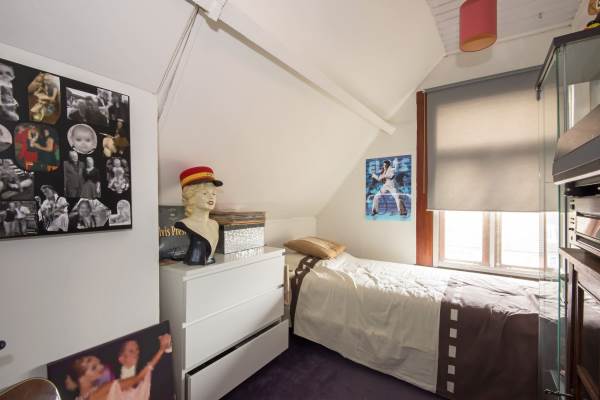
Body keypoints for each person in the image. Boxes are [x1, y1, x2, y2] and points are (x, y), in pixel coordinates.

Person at [64, 334, 172, 400]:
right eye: (93, 367)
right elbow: (139, 378)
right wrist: (161, 350)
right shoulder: (103, 389)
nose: (101, 369)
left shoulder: (97, 391)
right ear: (81, 378)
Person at [174, 166, 223, 265]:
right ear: (190, 196)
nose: (211, 197)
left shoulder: (214, 224)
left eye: (214, 194)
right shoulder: (185, 224)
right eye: (205, 193)